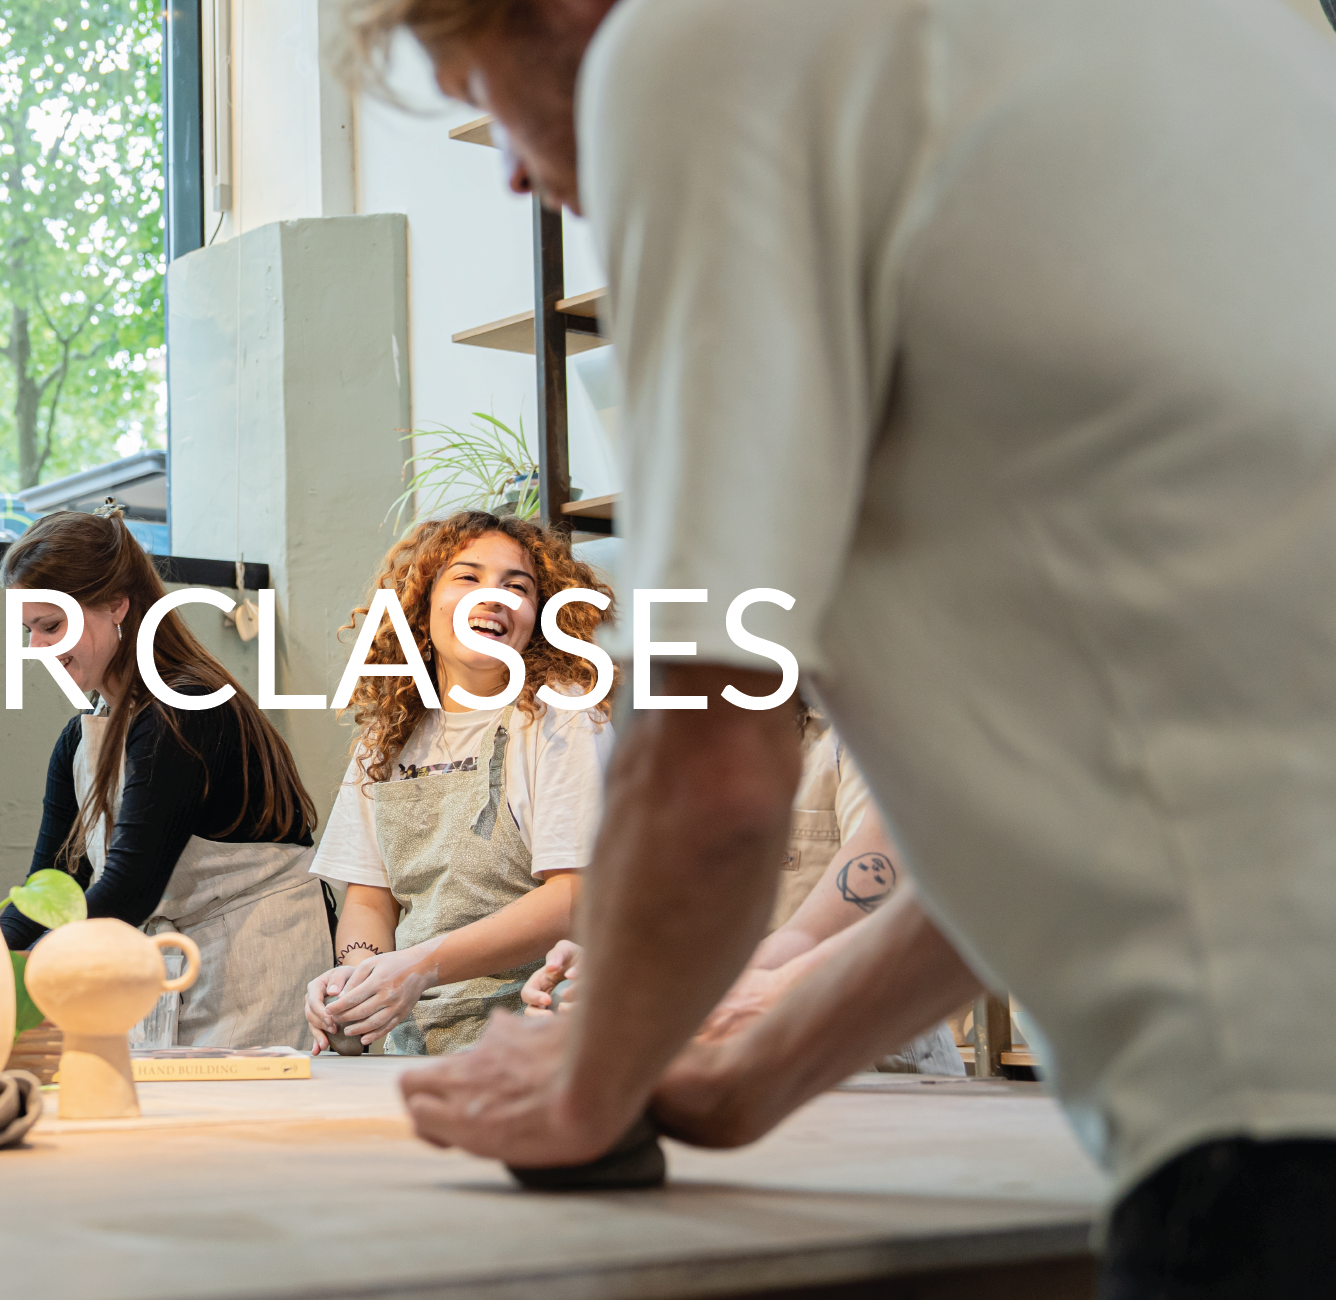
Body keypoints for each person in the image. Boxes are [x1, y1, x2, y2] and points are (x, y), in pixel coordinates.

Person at [354, 0, 1337, 1293]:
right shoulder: (1224, 27)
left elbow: (708, 774)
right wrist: (735, 1075)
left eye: (482, 95)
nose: (512, 173)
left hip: (1274, 1121)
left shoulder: (698, 45)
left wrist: (588, 1089)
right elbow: (1097, 809)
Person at [0, 509, 331, 1049]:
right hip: (163, 963)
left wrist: (33, 970)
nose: (37, 649)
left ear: (116, 606)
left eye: (52, 626)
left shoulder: (186, 705)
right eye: (29, 630)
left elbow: (130, 885)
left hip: (254, 962)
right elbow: (54, 884)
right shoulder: (78, 741)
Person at [302, 510, 615, 1055]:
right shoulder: (387, 739)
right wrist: (359, 990)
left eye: (516, 587)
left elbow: (575, 894)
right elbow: (371, 899)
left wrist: (419, 967)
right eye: (467, 577)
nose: (491, 597)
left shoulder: (560, 715)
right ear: (421, 605)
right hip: (416, 1046)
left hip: (541, 1040)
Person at [529, 717, 964, 1076]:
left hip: (877, 1065)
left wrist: (695, 997)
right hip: (747, 1059)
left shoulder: (858, 732)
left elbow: (884, 912)